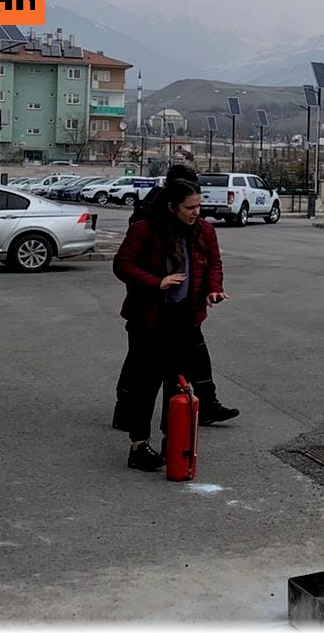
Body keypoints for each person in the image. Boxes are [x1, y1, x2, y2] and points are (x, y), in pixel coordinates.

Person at [112, 178, 237, 471]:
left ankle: (174, 439)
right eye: (189, 207)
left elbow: (214, 263)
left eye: (198, 206)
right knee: (146, 385)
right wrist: (157, 283)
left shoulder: (204, 230)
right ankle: (138, 446)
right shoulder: (145, 229)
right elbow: (122, 264)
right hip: (149, 320)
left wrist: (213, 289)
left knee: (178, 385)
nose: (196, 212)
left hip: (186, 319)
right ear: (171, 207)